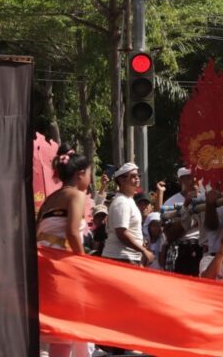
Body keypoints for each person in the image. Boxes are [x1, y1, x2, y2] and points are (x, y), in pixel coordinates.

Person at [36, 147, 95, 357]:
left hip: (42, 265)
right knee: (65, 328)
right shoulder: (77, 196)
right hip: (61, 266)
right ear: (80, 175)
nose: (91, 179)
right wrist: (83, 263)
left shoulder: (49, 199)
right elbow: (71, 233)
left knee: (52, 328)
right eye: (90, 174)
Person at [101, 163, 153, 266]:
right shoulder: (122, 202)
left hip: (127, 257)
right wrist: (143, 250)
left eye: (138, 176)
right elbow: (122, 233)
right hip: (120, 258)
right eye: (133, 176)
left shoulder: (128, 200)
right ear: (121, 180)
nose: (137, 178)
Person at [161, 167, 203, 276]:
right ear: (181, 181)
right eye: (189, 177)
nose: (194, 180)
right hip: (184, 250)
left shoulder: (207, 199)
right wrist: (186, 208)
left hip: (204, 250)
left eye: (197, 177)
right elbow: (169, 236)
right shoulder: (171, 203)